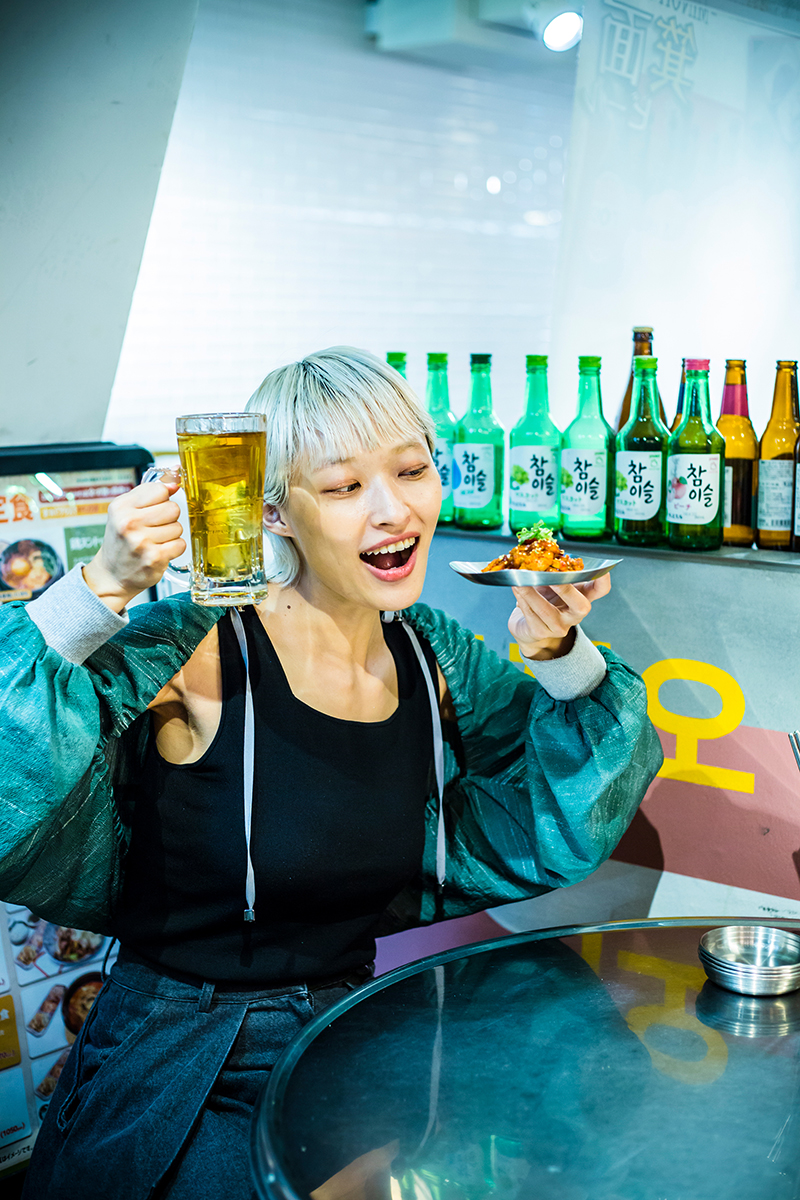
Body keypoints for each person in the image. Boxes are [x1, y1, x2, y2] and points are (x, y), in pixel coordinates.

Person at [1, 347, 662, 1199]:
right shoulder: (198, 645)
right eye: (346, 486)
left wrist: (561, 650)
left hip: (352, 1036)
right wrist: (97, 587)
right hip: (185, 1061)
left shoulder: (432, 656)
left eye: (412, 470)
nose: (394, 510)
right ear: (274, 511)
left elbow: (572, 806)